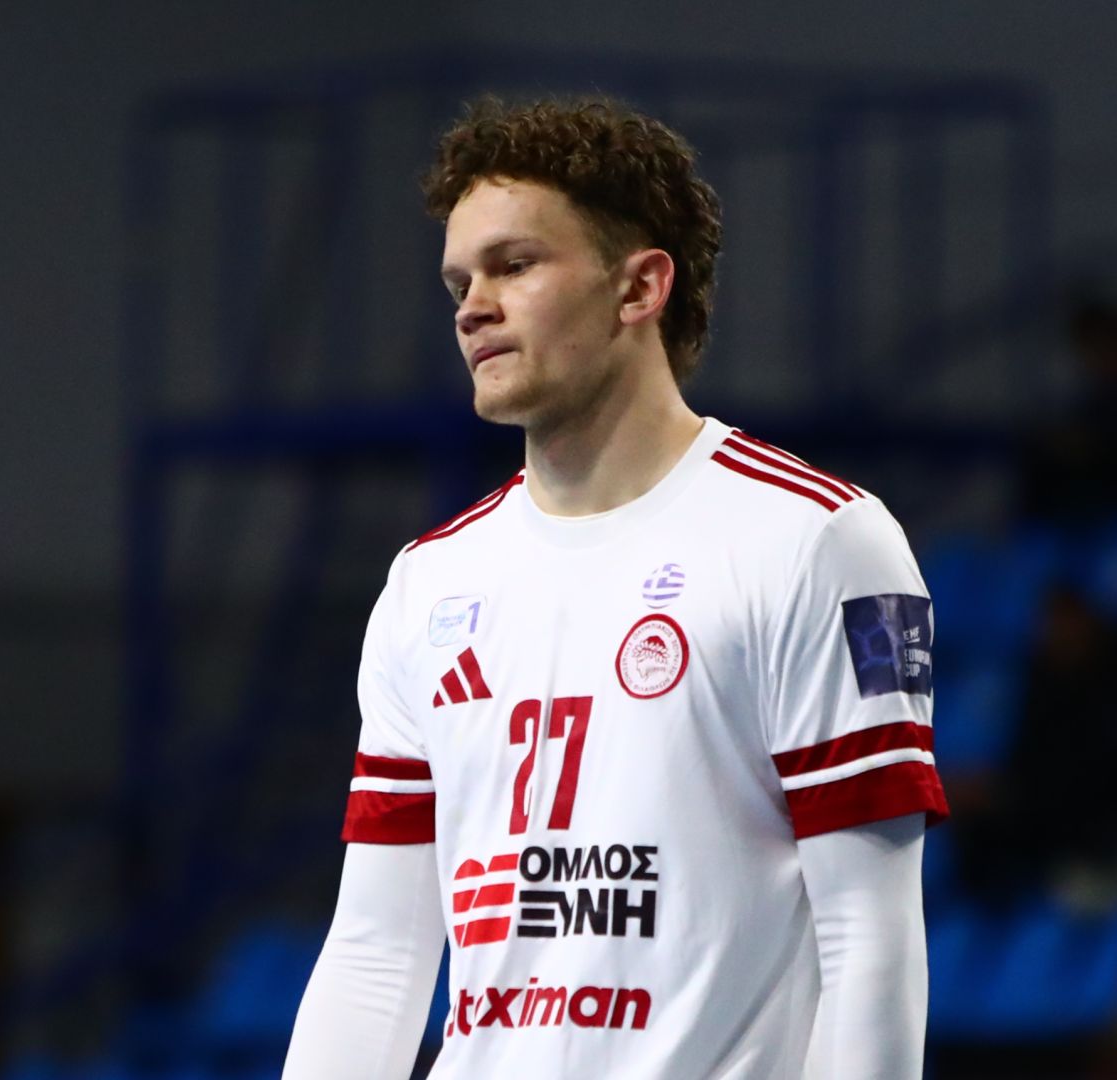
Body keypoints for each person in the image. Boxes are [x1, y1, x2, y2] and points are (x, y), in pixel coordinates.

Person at [281, 96, 948, 1079]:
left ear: (639, 287)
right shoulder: (428, 584)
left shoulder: (817, 542)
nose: (471, 307)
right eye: (459, 281)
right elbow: (376, 954)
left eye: (514, 265)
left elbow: (867, 936)